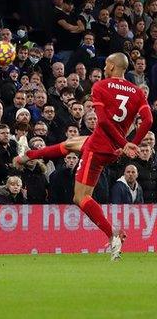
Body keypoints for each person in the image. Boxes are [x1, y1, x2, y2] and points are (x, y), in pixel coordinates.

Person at [14, 53, 153, 260]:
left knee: (80, 197)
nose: (104, 68)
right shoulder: (137, 91)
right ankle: (27, 156)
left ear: (114, 67)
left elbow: (104, 122)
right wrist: (130, 143)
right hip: (110, 147)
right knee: (70, 144)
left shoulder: (101, 86)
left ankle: (112, 234)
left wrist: (126, 144)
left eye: (106, 64)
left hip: (98, 147)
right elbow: (148, 120)